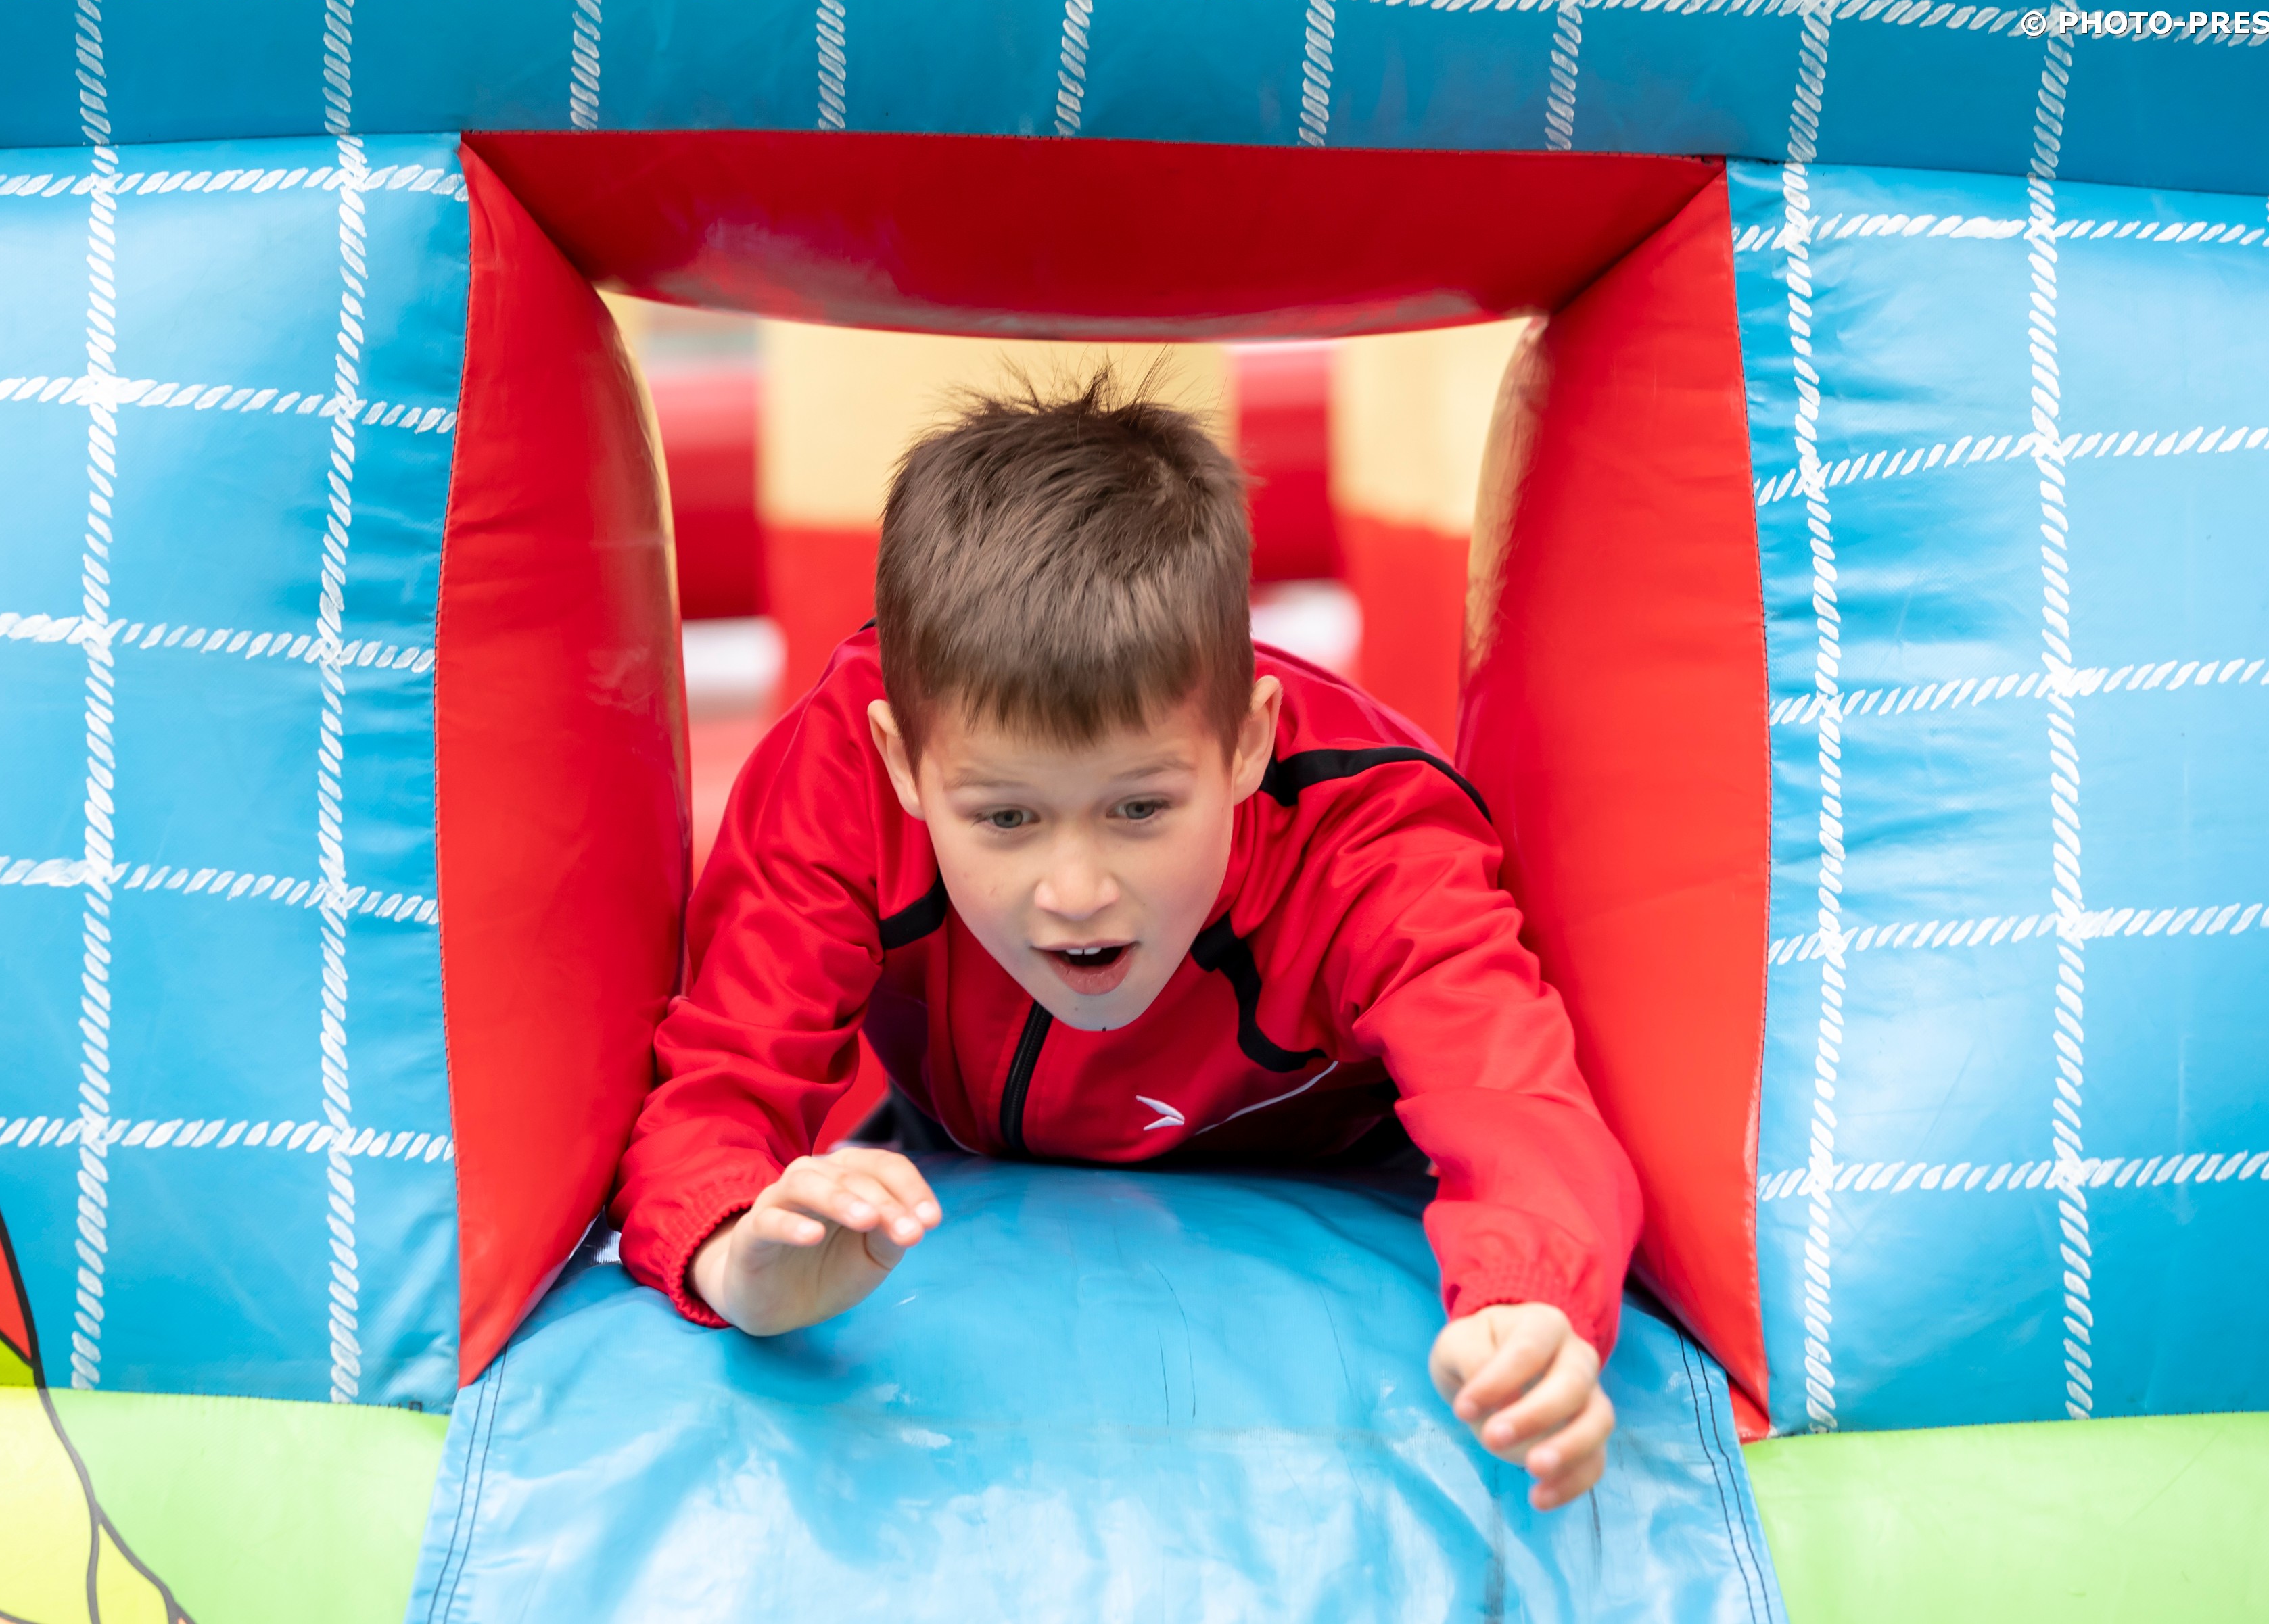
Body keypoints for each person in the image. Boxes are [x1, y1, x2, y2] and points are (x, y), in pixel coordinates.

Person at [611, 375, 1642, 1511]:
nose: (1076, 892)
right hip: (955, 1142)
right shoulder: (841, 784)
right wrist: (736, 1259)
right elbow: (718, 1082)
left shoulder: (1367, 842)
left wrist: (1526, 1307)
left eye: (1141, 809)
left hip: (1325, 1160)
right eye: (1006, 820)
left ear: (1246, 744)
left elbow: (1512, 1095)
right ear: (905, 763)